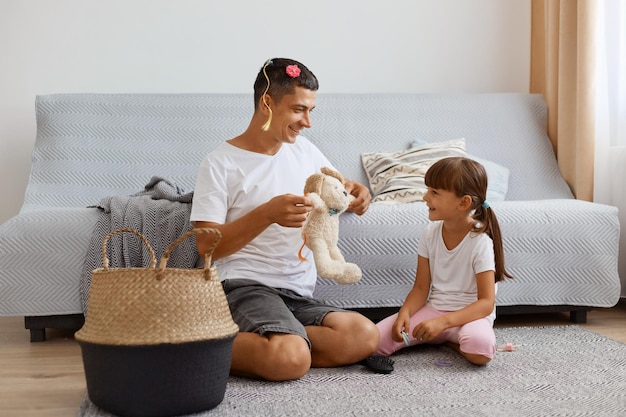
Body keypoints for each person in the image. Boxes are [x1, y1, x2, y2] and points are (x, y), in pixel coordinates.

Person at [190, 57, 390, 381]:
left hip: (296, 293)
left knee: (364, 336)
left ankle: (285, 342)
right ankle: (193, 340)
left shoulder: (305, 151)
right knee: (291, 360)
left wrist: (356, 192)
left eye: (310, 110)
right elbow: (204, 246)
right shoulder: (220, 163)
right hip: (243, 286)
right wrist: (266, 214)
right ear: (267, 102)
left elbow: (336, 188)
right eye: (299, 109)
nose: (307, 122)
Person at [375, 157, 512, 365]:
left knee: (480, 352)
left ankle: (448, 337)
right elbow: (421, 288)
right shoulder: (429, 233)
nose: (425, 197)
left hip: (471, 316)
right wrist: (405, 313)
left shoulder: (480, 242)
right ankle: (444, 336)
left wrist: (443, 322)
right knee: (373, 343)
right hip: (435, 310)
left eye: (434, 192)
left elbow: (486, 303)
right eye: (428, 190)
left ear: (463, 202)